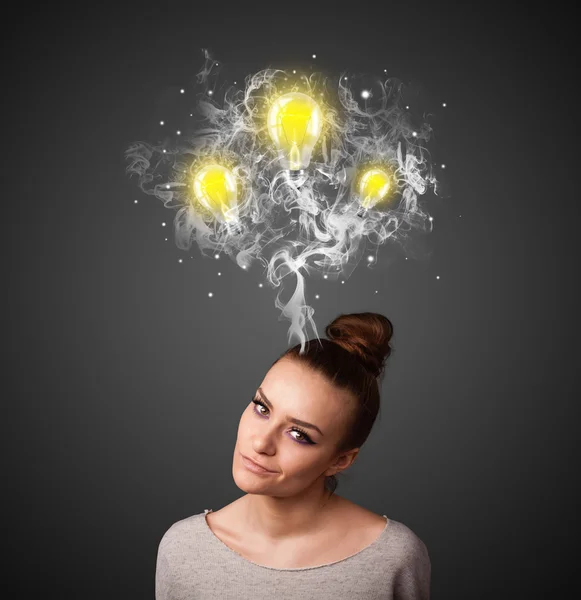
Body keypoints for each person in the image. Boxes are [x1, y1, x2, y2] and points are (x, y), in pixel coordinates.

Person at [155, 312, 431, 599]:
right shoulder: (183, 549)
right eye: (262, 408)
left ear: (341, 460)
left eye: (299, 434)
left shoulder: (393, 558)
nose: (261, 442)